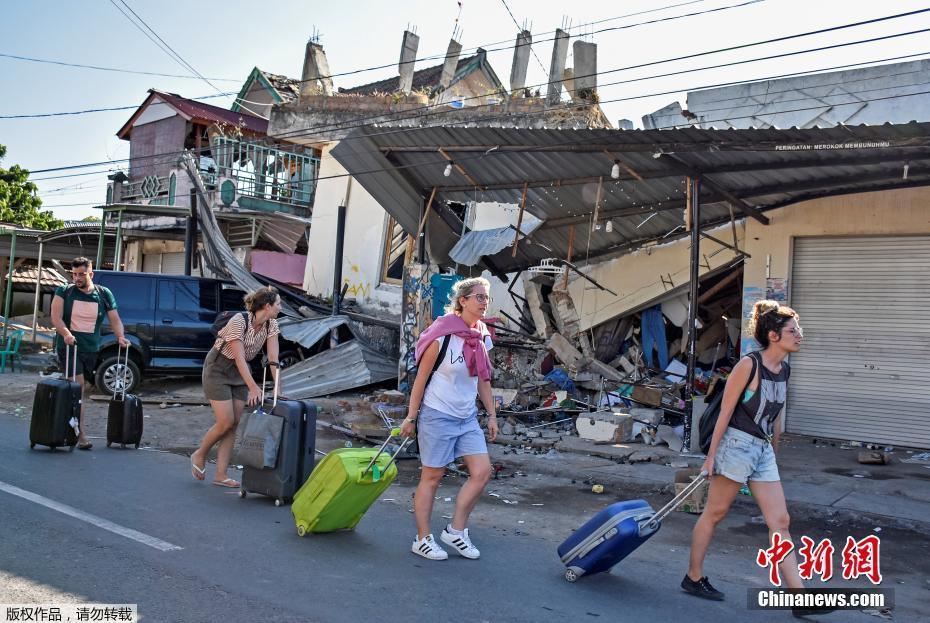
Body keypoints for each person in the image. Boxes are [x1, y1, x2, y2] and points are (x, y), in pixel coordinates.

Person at [682, 301, 833, 618]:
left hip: (761, 451)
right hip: (735, 445)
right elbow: (724, 412)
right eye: (794, 331)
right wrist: (710, 459)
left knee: (780, 521)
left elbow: (775, 417)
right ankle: (693, 577)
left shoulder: (784, 369)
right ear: (774, 335)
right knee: (715, 513)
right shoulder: (748, 366)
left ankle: (799, 599)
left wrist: (773, 453)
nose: (800, 335)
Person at [401, 277, 499, 561]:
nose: (484, 303)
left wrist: (491, 414)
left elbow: (483, 379)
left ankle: (456, 532)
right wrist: (411, 417)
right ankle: (422, 538)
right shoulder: (442, 336)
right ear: (463, 300)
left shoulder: (481, 335)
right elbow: (420, 380)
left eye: (487, 297)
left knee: (481, 472)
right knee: (432, 477)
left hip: (466, 417)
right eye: (479, 297)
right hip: (437, 415)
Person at [190, 287, 282, 488]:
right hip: (218, 368)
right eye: (278, 304)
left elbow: (273, 359)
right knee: (225, 421)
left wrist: (278, 388)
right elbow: (238, 357)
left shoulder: (271, 324)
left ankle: (221, 475)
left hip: (240, 372)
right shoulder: (239, 321)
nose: (280, 307)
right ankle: (200, 454)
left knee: (234, 423)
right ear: (267, 306)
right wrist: (253, 387)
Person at [50, 257, 131, 450]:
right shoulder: (64, 291)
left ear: (91, 274)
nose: (77, 278)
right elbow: (55, 317)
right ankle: (80, 434)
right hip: (69, 346)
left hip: (90, 349)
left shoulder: (103, 294)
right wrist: (67, 334)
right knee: (77, 387)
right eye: (74, 274)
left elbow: (115, 319)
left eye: (81, 274)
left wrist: (120, 336)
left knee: (80, 389)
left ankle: (67, 427)